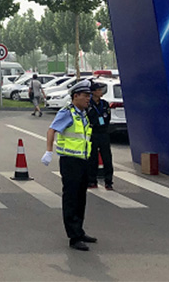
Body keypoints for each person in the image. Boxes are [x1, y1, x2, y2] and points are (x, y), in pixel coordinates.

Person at [41, 79, 97, 252]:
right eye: (85, 95)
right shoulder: (67, 113)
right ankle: (74, 237)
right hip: (70, 162)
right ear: (76, 96)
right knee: (71, 199)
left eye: (89, 95)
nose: (88, 98)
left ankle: (79, 230)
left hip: (83, 161)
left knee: (81, 198)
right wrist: (49, 151)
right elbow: (52, 130)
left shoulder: (83, 114)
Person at [87, 80, 114, 190]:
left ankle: (108, 182)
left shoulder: (105, 104)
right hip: (92, 133)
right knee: (92, 158)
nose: (100, 92)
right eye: (98, 90)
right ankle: (92, 181)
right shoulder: (88, 104)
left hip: (103, 133)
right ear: (93, 92)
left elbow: (108, 117)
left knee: (107, 158)